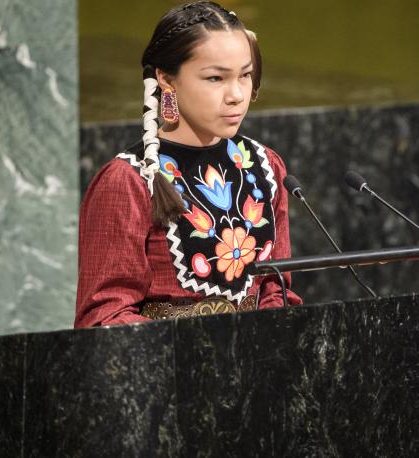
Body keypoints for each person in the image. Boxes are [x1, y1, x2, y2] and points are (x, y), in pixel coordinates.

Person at [75, 1, 302, 328]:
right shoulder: (129, 180)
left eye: (246, 75)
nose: (236, 94)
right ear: (167, 80)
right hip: (169, 371)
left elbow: (275, 291)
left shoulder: (265, 166)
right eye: (215, 78)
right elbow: (103, 319)